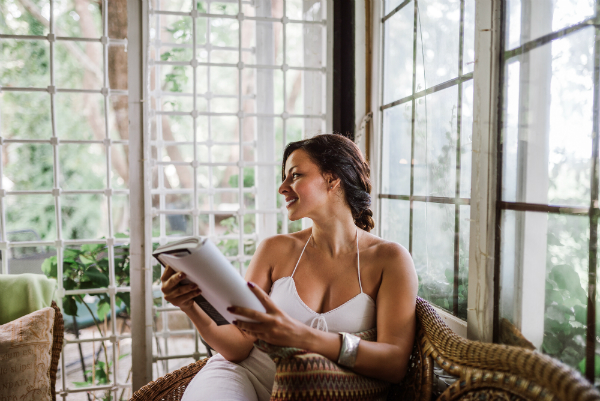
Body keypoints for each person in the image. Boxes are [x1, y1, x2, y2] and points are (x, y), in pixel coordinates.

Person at [160, 133, 418, 401]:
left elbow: (394, 363)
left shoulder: (390, 259)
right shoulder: (274, 250)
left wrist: (302, 336)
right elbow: (237, 348)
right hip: (241, 377)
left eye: (294, 175)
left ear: (332, 179)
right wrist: (189, 305)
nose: (282, 188)